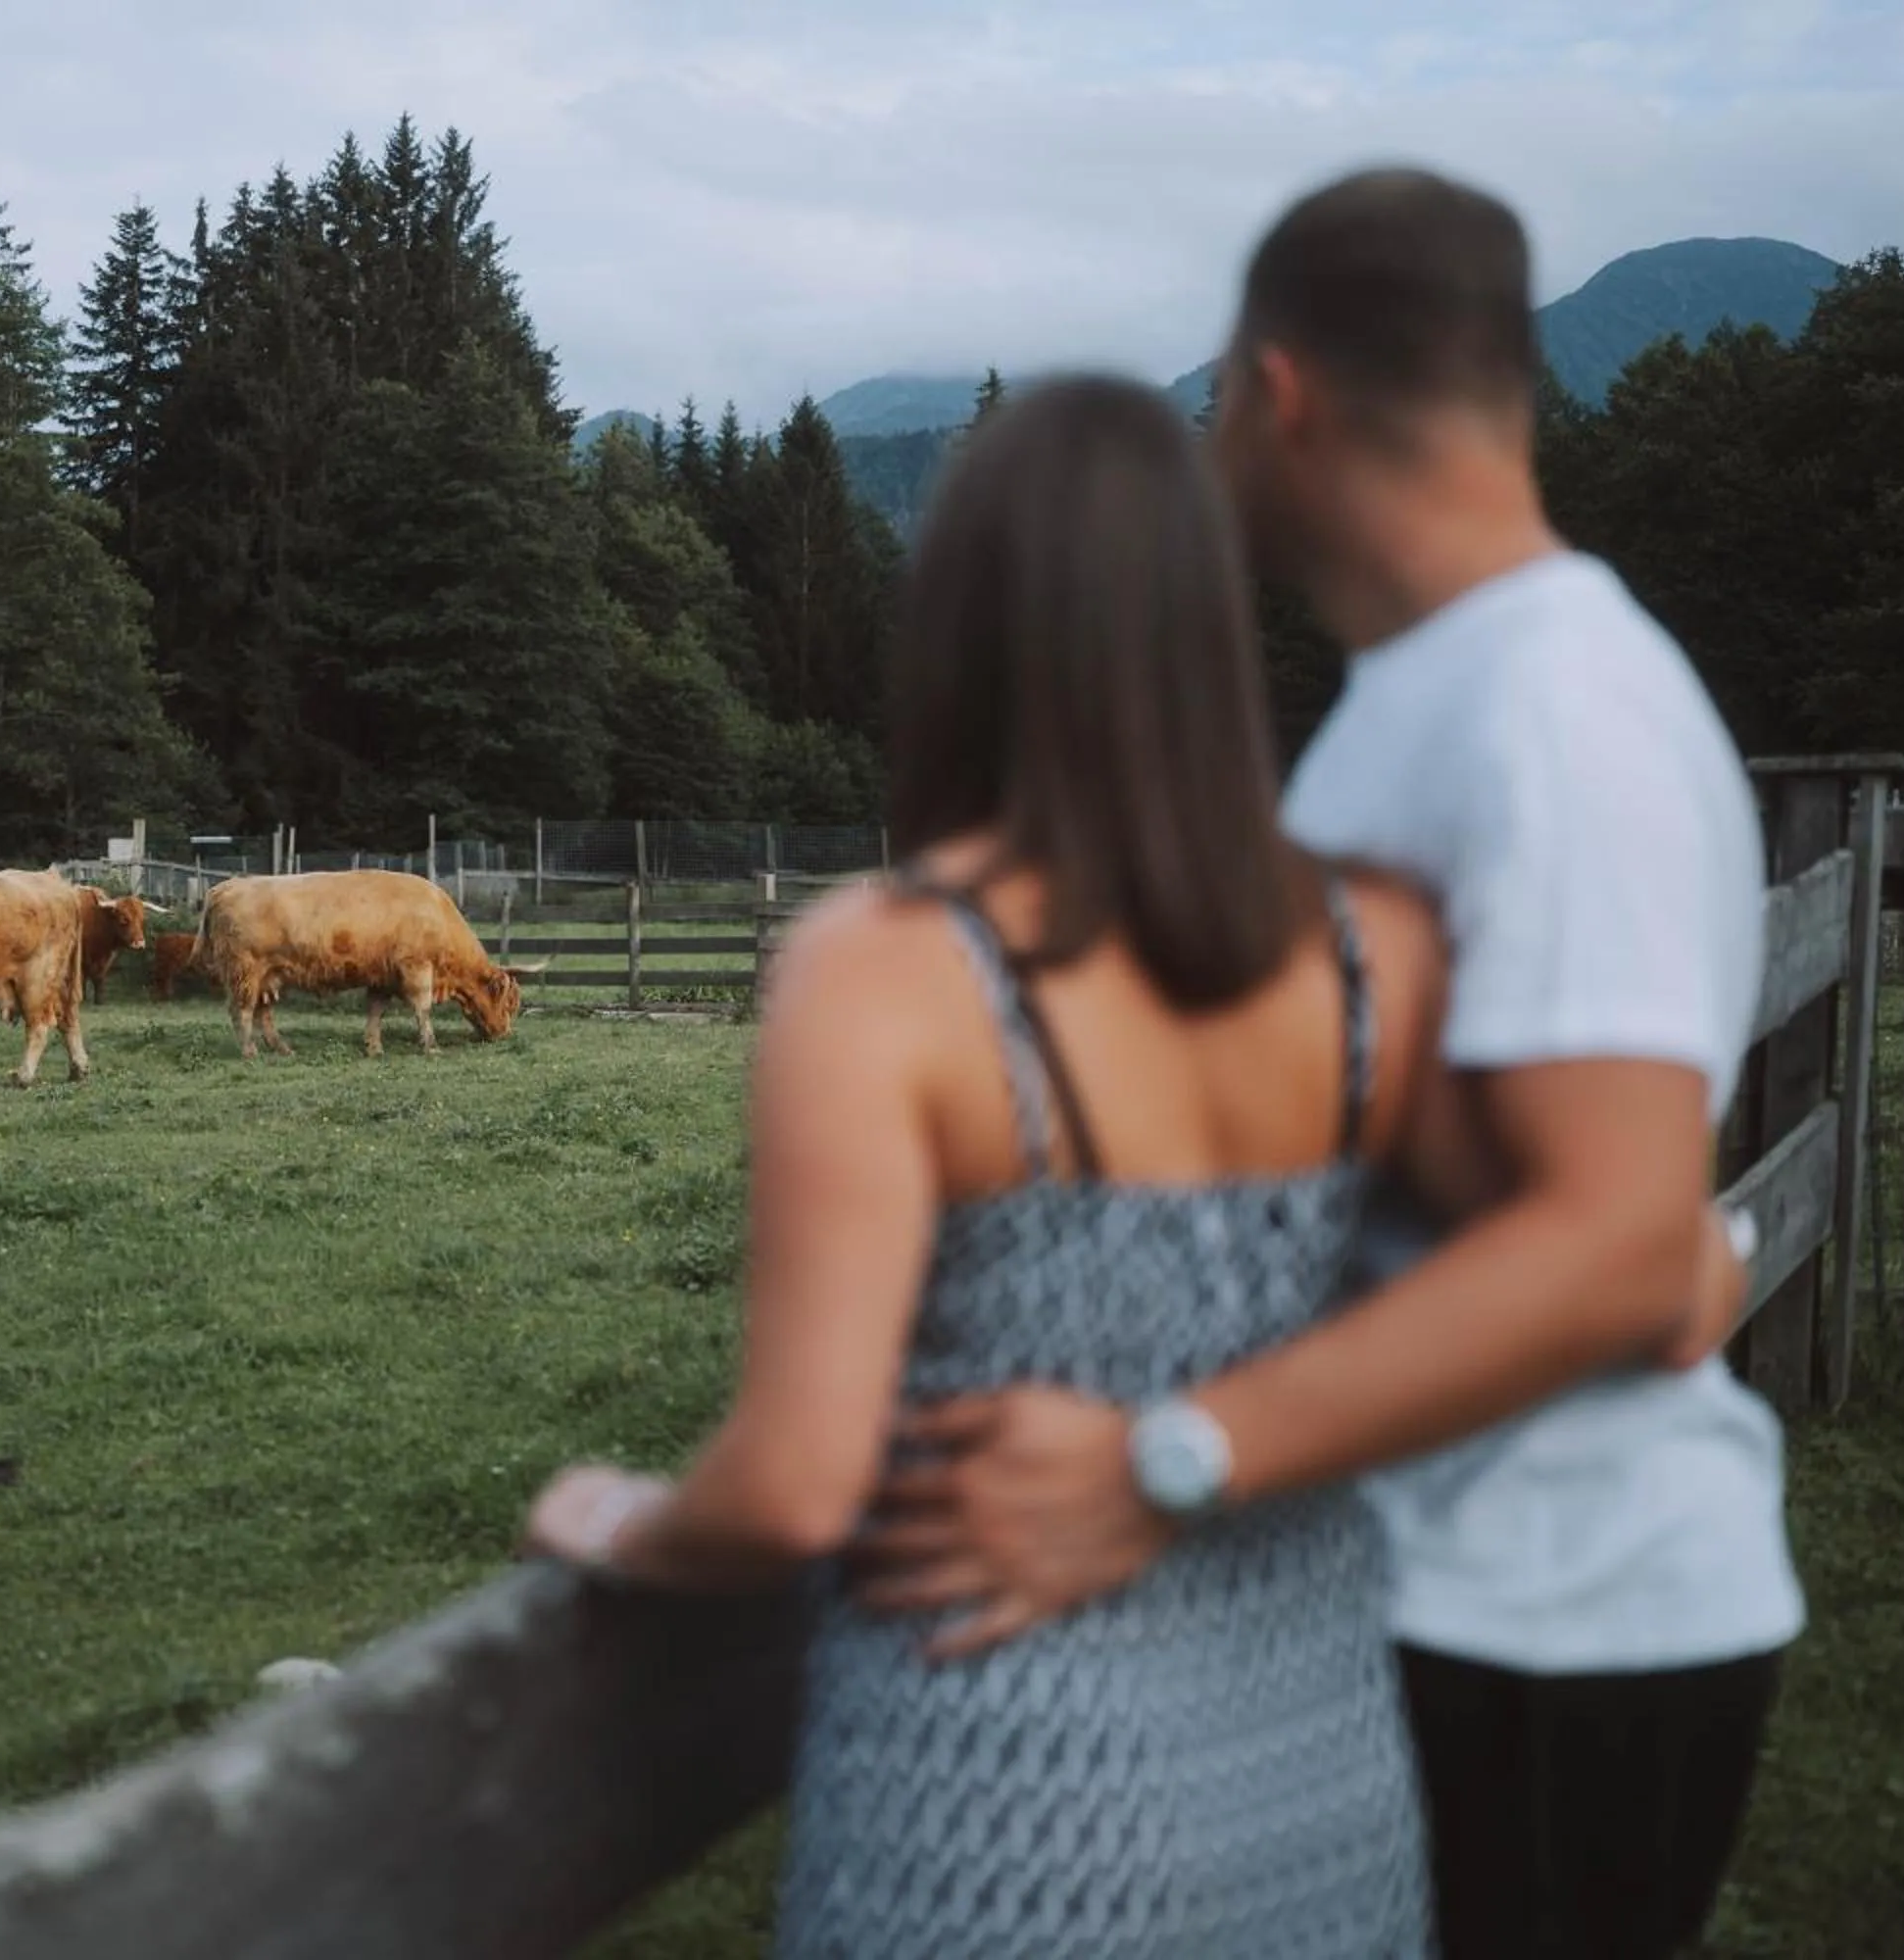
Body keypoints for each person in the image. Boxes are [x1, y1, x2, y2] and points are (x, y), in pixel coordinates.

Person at [849, 168, 1800, 1960]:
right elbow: (1623, 1237)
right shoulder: (1431, 698)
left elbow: (1609, 1248)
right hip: (1427, 1594)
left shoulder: (1554, 713)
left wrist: (1158, 1462)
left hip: (1556, 1621)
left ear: (1276, 388)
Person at [522, 373, 1479, 1957]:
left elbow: (794, 1485)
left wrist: (626, 1524)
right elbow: (1509, 1308)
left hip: (990, 1820)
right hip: (1320, 1800)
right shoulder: (1380, 951)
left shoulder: (888, 970)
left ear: (958, 627)